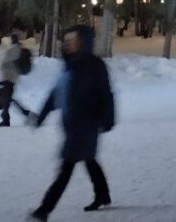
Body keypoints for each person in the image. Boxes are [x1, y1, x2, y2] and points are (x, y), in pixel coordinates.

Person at [30, 26, 115, 220]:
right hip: (72, 125)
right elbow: (56, 93)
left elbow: (106, 94)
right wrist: (41, 116)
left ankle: (44, 209)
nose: (68, 44)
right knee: (88, 159)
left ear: (83, 42)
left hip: (86, 125)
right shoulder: (69, 65)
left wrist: (108, 119)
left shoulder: (93, 65)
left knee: (66, 167)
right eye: (66, 40)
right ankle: (103, 194)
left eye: (73, 40)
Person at [0, 34, 31, 127]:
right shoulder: (19, 49)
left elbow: (1, 64)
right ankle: (9, 117)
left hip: (6, 77)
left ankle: (21, 114)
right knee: (8, 99)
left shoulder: (10, 50)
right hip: (13, 78)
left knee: (7, 99)